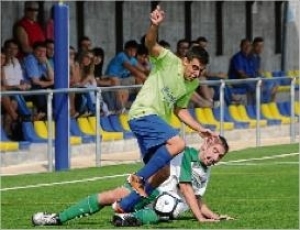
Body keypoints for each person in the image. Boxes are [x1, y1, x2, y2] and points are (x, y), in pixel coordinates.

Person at [111, 5, 217, 215]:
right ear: (185, 61)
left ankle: (123, 206)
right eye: (194, 67)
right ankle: (137, 178)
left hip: (154, 123)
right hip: (142, 112)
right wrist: (154, 25)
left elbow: (180, 110)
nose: (196, 73)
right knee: (178, 143)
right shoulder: (168, 60)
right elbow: (150, 43)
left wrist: (200, 128)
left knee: (163, 173)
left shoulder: (192, 84)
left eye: (201, 70)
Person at [31, 135, 233, 226]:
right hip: (152, 188)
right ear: (206, 143)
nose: (215, 157)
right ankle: (58, 218)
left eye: (220, 156)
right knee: (113, 195)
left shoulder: (206, 172)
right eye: (215, 151)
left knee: (165, 208)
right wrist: (200, 218)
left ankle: (127, 219)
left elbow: (197, 199)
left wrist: (214, 216)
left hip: (165, 203)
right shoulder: (187, 153)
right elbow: (185, 187)